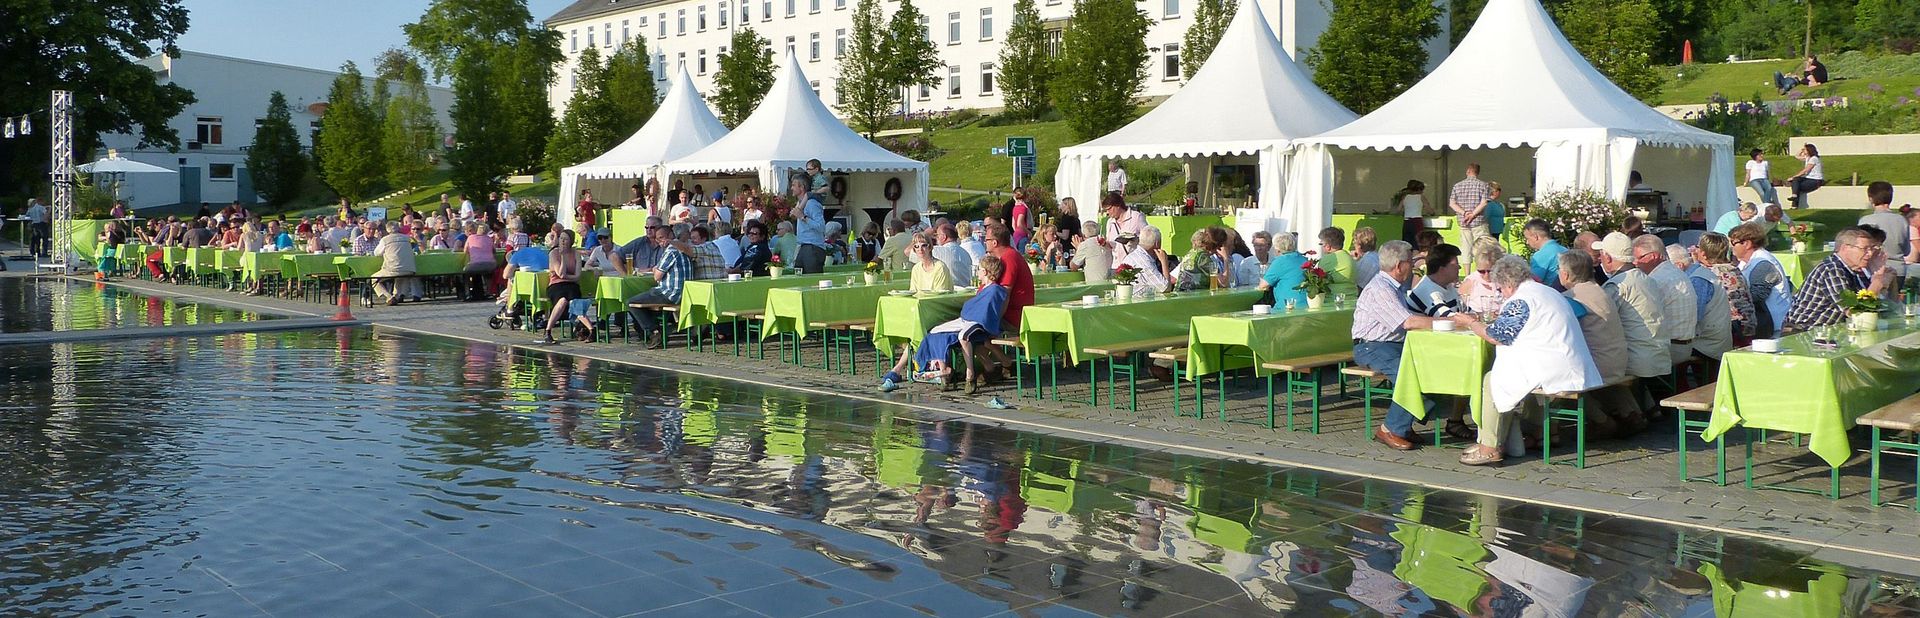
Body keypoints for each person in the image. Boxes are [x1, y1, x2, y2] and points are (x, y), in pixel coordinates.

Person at [1451, 256, 1602, 465]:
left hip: (1555, 368)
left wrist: (1470, 323)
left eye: (1500, 289)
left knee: (1492, 379)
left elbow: (1497, 337)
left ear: (1508, 284)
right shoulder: (1546, 291)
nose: (1501, 294)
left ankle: (1490, 447)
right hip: (1567, 362)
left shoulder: (1521, 300)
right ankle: (1528, 434)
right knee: (1507, 376)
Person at [1350, 240, 1439, 451]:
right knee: (1408, 375)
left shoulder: (1393, 286)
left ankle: (1403, 425)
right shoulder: (1381, 288)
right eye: (1411, 261)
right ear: (1399, 266)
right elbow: (1407, 322)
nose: (1414, 266)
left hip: (1391, 344)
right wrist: (1449, 323)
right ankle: (1390, 428)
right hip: (1371, 346)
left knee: (1433, 368)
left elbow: (1408, 316)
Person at [880, 255, 1011, 394]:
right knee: (934, 332)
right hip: (967, 319)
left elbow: (986, 312)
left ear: (985, 272)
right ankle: (943, 370)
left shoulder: (995, 290)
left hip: (978, 322)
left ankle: (970, 374)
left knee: (963, 336)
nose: (977, 271)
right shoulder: (985, 288)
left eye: (979, 269)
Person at [1596, 232, 1668, 415]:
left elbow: (1601, 321)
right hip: (1658, 350)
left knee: (1596, 364)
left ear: (1608, 257)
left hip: (1637, 357)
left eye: (1601, 254)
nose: (1599, 258)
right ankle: (1647, 408)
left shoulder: (1617, 285)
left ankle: (1620, 416)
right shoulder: (1648, 279)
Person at [1783, 226, 1898, 332]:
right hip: (1804, 332)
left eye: (1872, 249)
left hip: (1831, 332)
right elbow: (1856, 312)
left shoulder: (1852, 270)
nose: (1870, 254)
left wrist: (1878, 276)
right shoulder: (1831, 270)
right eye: (1865, 249)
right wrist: (1877, 282)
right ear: (1845, 248)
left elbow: (1872, 306)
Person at [1632, 235, 1697, 367]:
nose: (1635, 262)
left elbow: (1645, 317)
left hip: (1671, 348)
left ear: (1654, 256)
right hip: (1685, 345)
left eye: (1639, 258)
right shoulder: (1676, 272)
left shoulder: (1656, 279)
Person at [626, 230, 689, 349]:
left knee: (631, 302)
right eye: (658, 239)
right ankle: (663, 328)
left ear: (671, 236)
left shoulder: (671, 251)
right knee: (646, 301)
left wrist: (656, 270)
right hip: (686, 293)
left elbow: (657, 276)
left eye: (662, 238)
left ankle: (655, 332)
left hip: (671, 293)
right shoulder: (685, 249)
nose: (660, 241)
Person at [1728, 223, 1792, 338]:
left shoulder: (1763, 264)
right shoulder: (1745, 262)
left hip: (1773, 328)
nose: (1731, 247)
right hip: (1761, 322)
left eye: (1733, 243)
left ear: (1747, 244)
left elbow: (1756, 296)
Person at [1672, 241, 1733, 363]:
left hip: (1708, 344)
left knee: (1669, 351)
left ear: (1679, 265)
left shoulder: (1697, 280)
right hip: (1714, 338)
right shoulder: (1699, 272)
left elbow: (1694, 318)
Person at [1695, 233, 1755, 347]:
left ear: (1703, 253)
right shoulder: (1734, 269)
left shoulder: (1708, 275)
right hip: (1749, 326)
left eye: (1698, 247)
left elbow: (1698, 309)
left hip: (1730, 329)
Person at [538, 230, 586, 344]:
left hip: (572, 285)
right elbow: (560, 274)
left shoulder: (576, 253)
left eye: (566, 239)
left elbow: (578, 276)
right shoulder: (554, 253)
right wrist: (563, 257)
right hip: (556, 285)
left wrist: (568, 277)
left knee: (573, 299)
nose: (563, 241)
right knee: (563, 300)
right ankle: (548, 330)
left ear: (571, 241)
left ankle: (582, 327)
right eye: (561, 239)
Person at [1859, 181, 1907, 275]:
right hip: (1898, 268)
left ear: (1871, 199)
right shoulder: (1901, 220)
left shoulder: (1865, 221)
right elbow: (1906, 250)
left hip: (1873, 269)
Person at [371, 222, 421, 306]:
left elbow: (376, 253)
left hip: (393, 269)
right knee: (400, 276)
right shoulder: (407, 238)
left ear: (387, 229)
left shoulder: (385, 239)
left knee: (373, 279)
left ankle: (388, 297)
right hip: (410, 269)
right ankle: (397, 296)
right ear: (398, 228)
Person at [1407, 243, 1462, 316]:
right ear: (1442, 269)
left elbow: (1466, 310)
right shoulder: (1429, 292)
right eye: (1456, 264)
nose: (1459, 267)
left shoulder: (1447, 286)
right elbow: (1447, 319)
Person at [1257, 232, 1309, 309]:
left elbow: (1263, 286)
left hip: (1287, 306)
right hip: (1306, 305)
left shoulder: (1280, 261)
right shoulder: (1304, 259)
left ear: (1277, 249)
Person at [1450, 163, 1493, 254]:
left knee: (1466, 249)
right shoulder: (1484, 185)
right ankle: (1481, 267)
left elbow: (1452, 203)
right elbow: (1484, 203)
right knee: (1482, 249)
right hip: (1478, 221)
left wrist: (1464, 213)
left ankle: (1467, 268)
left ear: (1468, 171)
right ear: (1477, 172)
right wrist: (1473, 214)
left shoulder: (1457, 185)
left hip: (1463, 221)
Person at [791, 174, 828, 274]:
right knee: (798, 277)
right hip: (803, 246)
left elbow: (821, 227)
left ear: (802, 187)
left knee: (812, 281)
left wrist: (803, 217)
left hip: (813, 247)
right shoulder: (801, 203)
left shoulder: (812, 204)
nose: (791, 188)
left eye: (794, 185)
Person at [1460, 242, 1506, 314]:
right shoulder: (1471, 281)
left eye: (1491, 271)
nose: (1486, 275)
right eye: (1481, 271)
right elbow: (1461, 306)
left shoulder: (1505, 280)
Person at [1101, 192, 1146, 262]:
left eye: (1109, 209)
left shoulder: (1136, 217)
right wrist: (1104, 243)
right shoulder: (1110, 222)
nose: (1107, 212)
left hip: (1134, 263)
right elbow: (1110, 246)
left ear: (1118, 205)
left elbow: (1149, 238)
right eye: (1106, 210)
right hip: (1117, 265)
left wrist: (1135, 239)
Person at [1315, 227, 1358, 297]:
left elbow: (1317, 279)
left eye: (1321, 244)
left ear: (1328, 246)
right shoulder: (1349, 257)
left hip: (1332, 301)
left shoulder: (1327, 259)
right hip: (1352, 298)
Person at [461, 222, 497, 301]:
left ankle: (467, 293)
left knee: (465, 273)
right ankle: (489, 292)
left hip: (475, 264)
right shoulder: (489, 239)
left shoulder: (470, 238)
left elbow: (465, 251)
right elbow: (494, 251)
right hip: (490, 264)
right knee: (487, 274)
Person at [932, 223, 974, 288]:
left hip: (949, 293)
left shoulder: (938, 251)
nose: (936, 238)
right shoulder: (965, 253)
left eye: (937, 235)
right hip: (967, 291)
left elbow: (911, 252)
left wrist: (924, 235)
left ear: (944, 237)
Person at [1786, 143, 1824, 210]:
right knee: (1796, 181)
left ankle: (1794, 205)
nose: (1804, 151)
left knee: (1796, 184)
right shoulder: (1807, 158)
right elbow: (1796, 156)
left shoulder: (1814, 159)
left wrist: (1793, 177)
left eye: (1805, 150)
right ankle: (1794, 197)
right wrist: (1802, 149)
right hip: (1808, 178)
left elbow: (1805, 170)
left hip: (1816, 180)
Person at [1393, 180, 1427, 244]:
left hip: (1407, 222)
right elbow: (1429, 209)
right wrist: (1432, 213)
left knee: (1407, 243)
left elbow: (1398, 210)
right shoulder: (1421, 197)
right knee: (1418, 242)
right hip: (1417, 221)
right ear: (1419, 189)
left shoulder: (1405, 197)